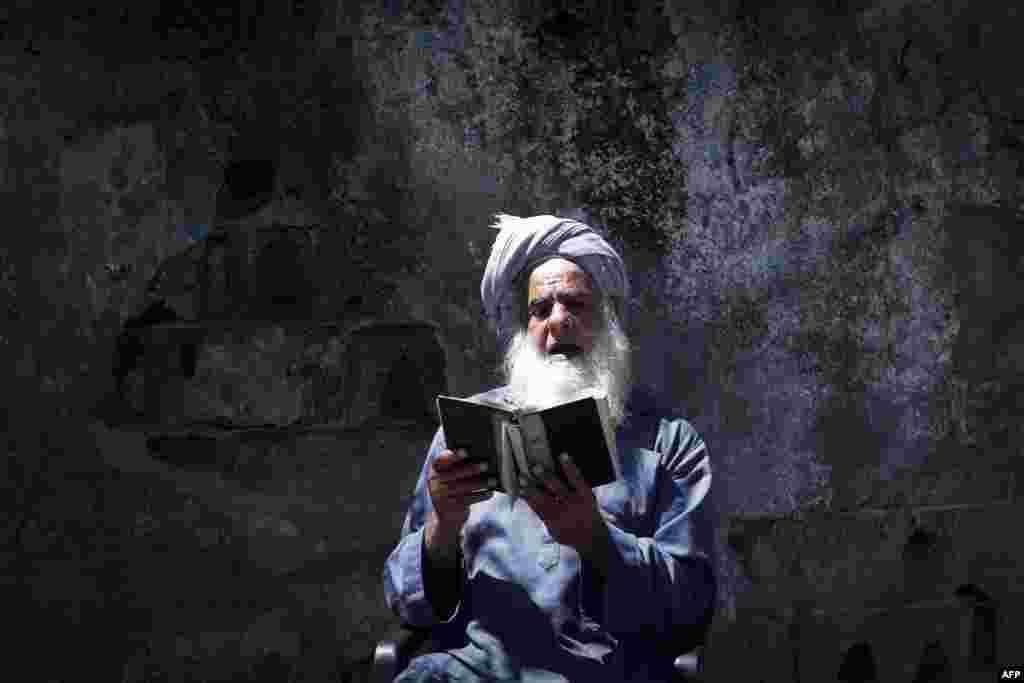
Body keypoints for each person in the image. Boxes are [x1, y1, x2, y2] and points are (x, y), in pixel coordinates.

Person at [383, 213, 717, 681]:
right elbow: (407, 604)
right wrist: (442, 526)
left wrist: (595, 539)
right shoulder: (464, 434)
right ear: (524, 329)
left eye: (576, 305)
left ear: (607, 321)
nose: (557, 322)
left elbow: (690, 607)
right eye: (540, 309)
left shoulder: (669, 445)